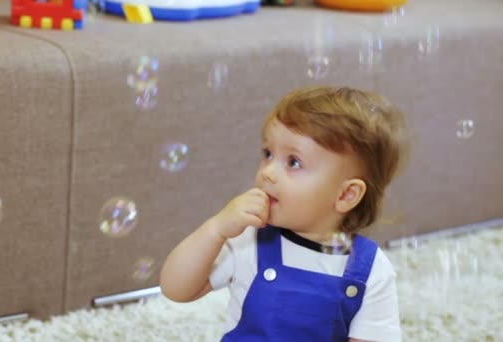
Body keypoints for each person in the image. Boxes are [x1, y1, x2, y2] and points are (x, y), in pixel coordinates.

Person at [159, 86, 409, 341]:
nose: (268, 172)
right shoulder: (249, 240)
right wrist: (215, 230)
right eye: (268, 154)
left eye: (294, 162)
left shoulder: (371, 268)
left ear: (346, 195)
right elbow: (176, 289)